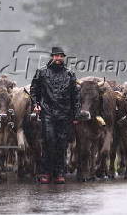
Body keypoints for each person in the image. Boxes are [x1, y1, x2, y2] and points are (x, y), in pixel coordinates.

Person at [30, 46, 81, 184]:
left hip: (64, 114)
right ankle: (46, 172)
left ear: (63, 57)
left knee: (62, 144)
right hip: (47, 112)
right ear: (52, 57)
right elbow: (34, 90)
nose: (58, 58)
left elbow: (75, 96)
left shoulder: (70, 74)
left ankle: (59, 173)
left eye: (60, 56)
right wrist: (35, 104)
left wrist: (76, 115)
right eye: (56, 56)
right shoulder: (42, 72)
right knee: (48, 141)